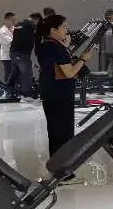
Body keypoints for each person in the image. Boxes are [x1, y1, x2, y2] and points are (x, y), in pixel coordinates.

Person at [35, 14, 87, 161]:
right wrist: (84, 58)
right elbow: (69, 72)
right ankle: (65, 167)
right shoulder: (57, 48)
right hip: (61, 94)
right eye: (63, 27)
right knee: (64, 132)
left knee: (55, 131)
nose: (66, 30)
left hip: (50, 92)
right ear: (53, 30)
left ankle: (57, 164)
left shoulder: (44, 45)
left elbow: (56, 62)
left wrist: (65, 47)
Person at [11, 13, 38, 98]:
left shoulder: (19, 24)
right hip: (22, 53)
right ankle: (26, 94)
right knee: (26, 74)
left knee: (15, 73)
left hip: (14, 53)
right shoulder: (30, 26)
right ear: (35, 20)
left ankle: (10, 91)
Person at [98, 9, 113, 79]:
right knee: (102, 72)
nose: (112, 20)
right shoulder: (102, 28)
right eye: (108, 17)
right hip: (104, 53)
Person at [0, 12, 16, 97]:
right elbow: (11, 42)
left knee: (15, 74)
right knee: (8, 74)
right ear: (7, 20)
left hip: (15, 55)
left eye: (14, 20)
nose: (14, 21)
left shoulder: (14, 28)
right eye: (12, 20)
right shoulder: (3, 31)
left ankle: (15, 91)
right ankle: (6, 91)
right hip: (7, 56)